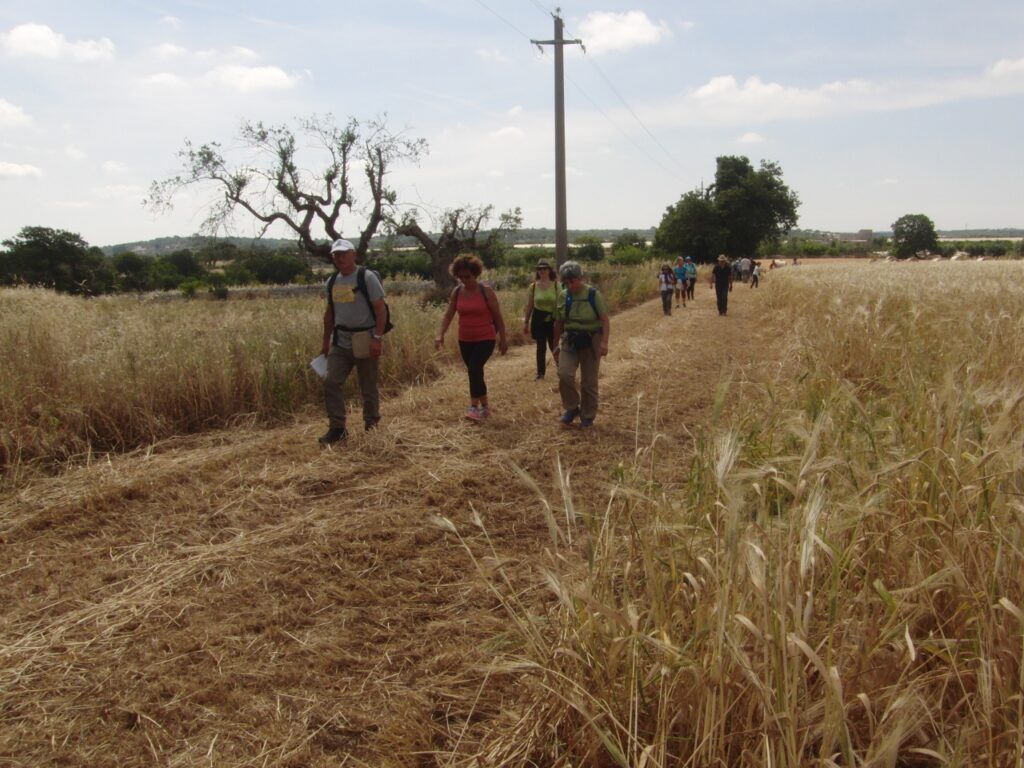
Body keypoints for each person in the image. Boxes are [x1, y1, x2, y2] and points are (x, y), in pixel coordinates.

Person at [319, 239, 387, 446]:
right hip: (340, 341)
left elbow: (380, 309)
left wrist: (377, 338)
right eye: (336, 255)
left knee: (367, 386)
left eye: (343, 254)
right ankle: (338, 428)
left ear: (353, 255)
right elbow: (329, 313)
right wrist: (325, 341)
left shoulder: (366, 277)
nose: (339, 258)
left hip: (364, 339)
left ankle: (371, 426)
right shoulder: (332, 282)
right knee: (331, 382)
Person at [435, 254, 508, 421]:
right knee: (475, 372)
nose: (464, 280)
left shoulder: (486, 291)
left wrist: (503, 339)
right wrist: (440, 334)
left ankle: (474, 407)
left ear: (475, 273)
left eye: (467, 276)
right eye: (460, 277)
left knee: (474, 368)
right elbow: (448, 315)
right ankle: (486, 407)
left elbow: (498, 317)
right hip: (465, 339)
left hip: (486, 337)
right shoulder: (457, 292)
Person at [553, 261, 610, 428]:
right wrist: (556, 344)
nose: (570, 286)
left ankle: (588, 415)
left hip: (591, 339)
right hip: (570, 340)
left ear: (581, 278)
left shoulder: (593, 295)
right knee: (564, 374)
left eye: (573, 281)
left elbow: (605, 320)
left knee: (589, 381)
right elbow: (558, 322)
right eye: (566, 282)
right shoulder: (563, 296)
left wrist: (604, 343)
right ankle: (571, 407)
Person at [522, 260, 560, 379]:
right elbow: (530, 305)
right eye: (539, 269)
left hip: (553, 320)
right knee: (540, 347)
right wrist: (526, 322)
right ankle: (540, 373)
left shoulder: (556, 285)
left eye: (544, 268)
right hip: (538, 320)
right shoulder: (533, 287)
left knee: (554, 345)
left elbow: (560, 304)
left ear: (549, 270)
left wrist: (560, 321)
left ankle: (562, 369)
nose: (542, 271)